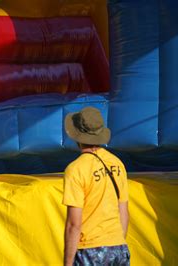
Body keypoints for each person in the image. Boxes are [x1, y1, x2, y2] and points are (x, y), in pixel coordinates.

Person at [62, 106, 130, 265]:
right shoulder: (117, 164)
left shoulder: (76, 169)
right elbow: (124, 212)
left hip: (91, 251)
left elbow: (74, 224)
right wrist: (116, 242)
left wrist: (67, 262)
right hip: (119, 248)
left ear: (77, 136)